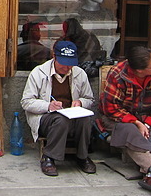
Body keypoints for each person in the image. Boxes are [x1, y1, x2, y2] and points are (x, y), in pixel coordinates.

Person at [100, 45, 151, 196]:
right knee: (130, 131)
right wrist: (136, 123)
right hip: (118, 118)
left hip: (148, 117)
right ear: (140, 71)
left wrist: (147, 124)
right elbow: (111, 108)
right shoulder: (118, 74)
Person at [20, 41, 96, 177]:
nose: (67, 67)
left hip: (72, 115)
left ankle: (82, 156)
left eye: (70, 64)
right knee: (61, 120)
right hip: (46, 118)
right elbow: (26, 102)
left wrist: (80, 102)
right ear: (54, 57)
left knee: (85, 119)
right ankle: (48, 157)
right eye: (63, 63)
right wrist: (47, 106)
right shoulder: (39, 73)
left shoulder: (79, 73)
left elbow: (90, 99)